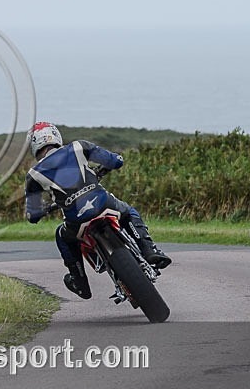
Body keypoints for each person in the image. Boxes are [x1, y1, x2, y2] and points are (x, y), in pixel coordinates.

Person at [25, 121, 170, 299]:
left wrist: (43, 210)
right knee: (129, 212)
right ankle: (150, 250)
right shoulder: (79, 146)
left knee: (62, 236)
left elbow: (32, 214)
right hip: (105, 205)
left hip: (76, 222)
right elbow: (116, 161)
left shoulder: (33, 175)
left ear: (34, 145)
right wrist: (103, 169)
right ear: (56, 136)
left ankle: (80, 282)